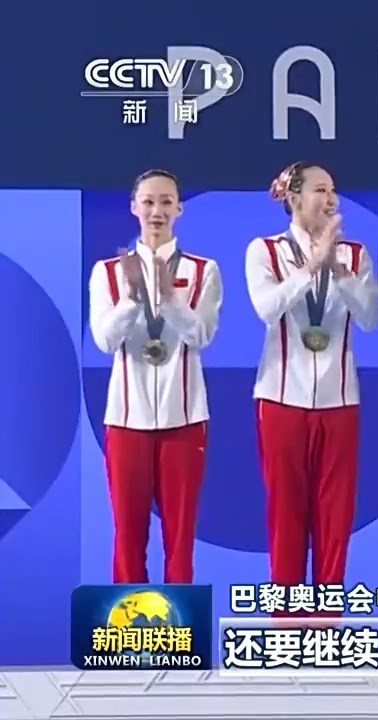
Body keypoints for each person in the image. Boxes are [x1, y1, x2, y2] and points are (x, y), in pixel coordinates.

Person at [245, 162, 378, 602]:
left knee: (335, 519)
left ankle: (325, 623)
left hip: (340, 400)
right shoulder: (265, 251)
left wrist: (336, 268)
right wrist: (311, 267)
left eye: (333, 189)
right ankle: (286, 620)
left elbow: (371, 318)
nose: (330, 198)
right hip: (281, 398)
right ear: (294, 198)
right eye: (321, 189)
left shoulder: (354, 254)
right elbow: (267, 309)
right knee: (286, 514)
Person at [88, 168, 224, 583]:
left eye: (166, 202)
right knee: (127, 536)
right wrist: (132, 301)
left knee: (180, 538)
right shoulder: (108, 272)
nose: (157, 211)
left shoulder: (203, 270)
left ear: (179, 209)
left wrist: (169, 300)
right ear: (134, 207)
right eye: (148, 202)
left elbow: (201, 336)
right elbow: (105, 340)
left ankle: (180, 621)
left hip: (184, 420)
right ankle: (127, 621)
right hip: (126, 421)